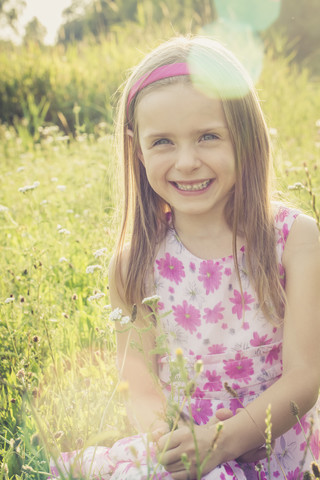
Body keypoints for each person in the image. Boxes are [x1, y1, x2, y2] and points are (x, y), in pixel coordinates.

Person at [50, 35, 320, 480]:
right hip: (180, 456)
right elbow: (139, 391)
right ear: (137, 150)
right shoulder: (133, 266)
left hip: (273, 455)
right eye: (163, 143)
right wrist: (175, 446)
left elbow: (304, 378)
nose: (187, 161)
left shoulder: (293, 240)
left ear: (247, 137)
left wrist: (221, 443)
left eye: (208, 136)